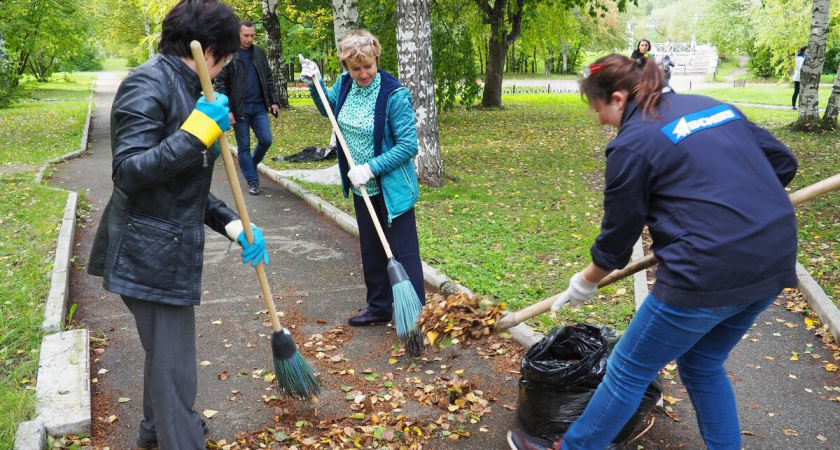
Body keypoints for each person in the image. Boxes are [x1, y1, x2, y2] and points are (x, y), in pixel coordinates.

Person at [507, 53, 798, 450]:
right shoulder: (712, 106)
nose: (599, 120)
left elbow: (616, 241)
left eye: (597, 108)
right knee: (703, 364)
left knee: (627, 368)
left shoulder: (632, 144)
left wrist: (585, 282)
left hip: (706, 273)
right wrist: (733, 210)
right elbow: (783, 163)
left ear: (618, 98)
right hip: (775, 259)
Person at [87, 1, 270, 448]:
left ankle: (154, 432)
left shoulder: (191, 87)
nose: (226, 67)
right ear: (211, 51)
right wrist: (195, 135)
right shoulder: (148, 83)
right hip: (146, 251)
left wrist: (233, 225)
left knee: (165, 358)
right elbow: (129, 172)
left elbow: (182, 187)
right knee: (176, 369)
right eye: (226, 58)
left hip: (164, 245)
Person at [298, 30, 425, 327]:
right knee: (371, 250)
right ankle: (379, 308)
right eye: (356, 68)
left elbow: (408, 146)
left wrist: (369, 168)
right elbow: (329, 109)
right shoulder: (345, 83)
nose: (363, 73)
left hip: (392, 188)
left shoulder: (394, 94)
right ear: (346, 67)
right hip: (362, 187)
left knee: (402, 252)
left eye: (368, 66)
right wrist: (316, 84)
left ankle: (415, 319)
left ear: (376, 59)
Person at [215, 20, 280, 195]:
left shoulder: (259, 52)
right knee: (243, 146)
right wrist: (227, 109)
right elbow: (221, 84)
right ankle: (252, 181)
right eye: (246, 35)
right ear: (238, 34)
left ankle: (251, 164)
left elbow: (268, 78)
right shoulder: (228, 54)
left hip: (259, 107)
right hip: (239, 109)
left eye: (252, 36)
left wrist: (274, 101)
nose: (249, 39)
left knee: (266, 140)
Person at [792, 46, 807, 110]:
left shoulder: (801, 57)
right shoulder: (801, 58)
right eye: (806, 50)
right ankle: (794, 105)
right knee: (797, 91)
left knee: (798, 91)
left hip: (799, 77)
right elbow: (801, 67)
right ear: (803, 51)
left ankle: (796, 105)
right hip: (799, 77)